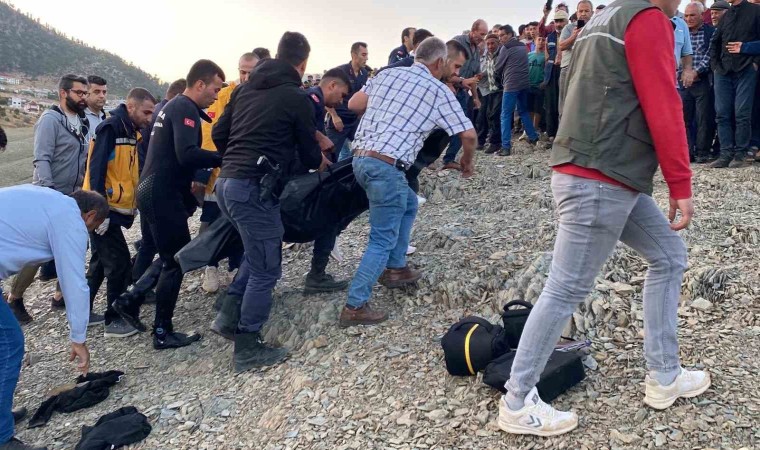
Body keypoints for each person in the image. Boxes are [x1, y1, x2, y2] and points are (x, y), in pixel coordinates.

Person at [496, 0, 709, 437]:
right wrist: (680, 182)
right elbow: (663, 102)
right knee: (565, 288)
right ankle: (517, 400)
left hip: (597, 169)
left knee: (669, 256)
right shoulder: (648, 18)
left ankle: (665, 374)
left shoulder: (603, 17)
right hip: (602, 175)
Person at [211, 32, 328, 372]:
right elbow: (310, 155)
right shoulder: (296, 97)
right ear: (303, 63)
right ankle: (247, 346)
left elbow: (218, 134)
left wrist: (237, 159)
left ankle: (227, 316)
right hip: (253, 189)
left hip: (226, 184)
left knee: (258, 249)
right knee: (267, 269)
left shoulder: (244, 89)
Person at [340, 37, 477, 328]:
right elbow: (468, 134)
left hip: (360, 159)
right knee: (381, 238)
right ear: (439, 62)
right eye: (453, 66)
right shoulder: (438, 90)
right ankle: (355, 306)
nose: (453, 72)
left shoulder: (386, 74)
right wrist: (467, 162)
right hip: (386, 166)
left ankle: (396, 267)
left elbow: (354, 103)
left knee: (409, 203)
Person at [114, 60, 225, 350]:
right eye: (214, 89)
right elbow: (186, 153)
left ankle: (131, 298)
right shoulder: (184, 107)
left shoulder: (174, 106)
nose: (216, 96)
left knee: (171, 255)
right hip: (161, 192)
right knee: (175, 262)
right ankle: (162, 331)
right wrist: (221, 158)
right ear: (199, 84)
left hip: (153, 189)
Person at [0, 186, 106, 450]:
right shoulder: (70, 219)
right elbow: (74, 283)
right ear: (90, 216)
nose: (88, 233)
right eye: (93, 228)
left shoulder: (51, 200)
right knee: (10, 344)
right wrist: (78, 338)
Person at [5, 75, 93, 325]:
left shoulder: (82, 122)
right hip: (50, 195)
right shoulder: (50, 120)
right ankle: (15, 298)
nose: (83, 97)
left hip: (73, 195)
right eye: (79, 93)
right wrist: (49, 192)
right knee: (37, 252)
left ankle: (60, 296)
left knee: (75, 245)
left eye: (85, 93)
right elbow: (41, 157)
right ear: (63, 93)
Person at [83, 88, 156, 338]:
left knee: (99, 263)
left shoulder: (131, 131)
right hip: (103, 210)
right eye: (146, 112)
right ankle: (113, 319)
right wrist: (99, 211)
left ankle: (81, 314)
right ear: (131, 107)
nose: (149, 118)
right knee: (119, 263)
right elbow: (97, 170)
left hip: (109, 209)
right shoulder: (111, 128)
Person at [197, 53, 259, 294]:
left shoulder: (263, 97)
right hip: (220, 172)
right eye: (243, 72)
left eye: (251, 72)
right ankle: (210, 266)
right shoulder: (224, 96)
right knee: (211, 220)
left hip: (247, 173)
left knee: (240, 223)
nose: (246, 77)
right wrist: (203, 174)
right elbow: (209, 134)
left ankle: (235, 265)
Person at [708, 0, 760, 168]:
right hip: (723, 71)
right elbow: (715, 42)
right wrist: (715, 66)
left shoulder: (755, 11)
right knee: (722, 113)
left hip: (746, 69)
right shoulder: (727, 14)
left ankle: (740, 155)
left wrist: (754, 62)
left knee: (742, 113)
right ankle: (725, 155)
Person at [443, 19, 487, 170]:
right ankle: (425, 158)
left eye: (485, 35)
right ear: (473, 31)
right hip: (448, 89)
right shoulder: (458, 42)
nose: (483, 37)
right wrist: (452, 82)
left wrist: (475, 98)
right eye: (481, 34)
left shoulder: (477, 51)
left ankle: (449, 159)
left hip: (462, 92)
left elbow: (473, 78)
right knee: (438, 126)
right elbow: (446, 66)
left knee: (462, 125)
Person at [680, 2, 716, 163]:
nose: (689, 19)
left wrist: (696, 72)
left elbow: (710, 55)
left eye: (692, 15)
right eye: (686, 15)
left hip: (702, 80)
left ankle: (702, 152)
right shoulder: (680, 32)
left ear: (702, 15)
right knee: (684, 120)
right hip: (683, 81)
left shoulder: (711, 32)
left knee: (704, 119)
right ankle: (687, 152)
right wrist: (684, 73)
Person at [495, 24, 539, 156]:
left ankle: (505, 147)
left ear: (509, 34)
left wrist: (499, 77)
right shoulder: (522, 46)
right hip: (524, 83)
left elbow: (498, 67)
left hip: (511, 84)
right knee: (523, 111)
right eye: (499, 36)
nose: (500, 38)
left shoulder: (506, 47)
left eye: (502, 35)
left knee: (505, 114)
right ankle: (533, 137)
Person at [326, 42, 369, 161]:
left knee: (363, 152)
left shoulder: (364, 74)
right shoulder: (340, 72)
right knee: (330, 158)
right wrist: (334, 116)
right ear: (354, 55)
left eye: (367, 55)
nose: (366, 58)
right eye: (363, 55)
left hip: (354, 121)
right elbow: (325, 95)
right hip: (338, 122)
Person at [558, 0, 594, 116]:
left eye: (586, 11)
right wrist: (574, 36)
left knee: (585, 104)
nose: (583, 14)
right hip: (568, 68)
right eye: (581, 11)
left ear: (592, 12)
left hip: (587, 68)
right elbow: (562, 46)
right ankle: (562, 128)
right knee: (565, 105)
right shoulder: (569, 28)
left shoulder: (596, 28)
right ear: (576, 13)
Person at [543, 10, 569, 141]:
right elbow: (546, 56)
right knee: (550, 104)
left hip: (565, 69)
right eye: (556, 21)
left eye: (561, 21)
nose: (558, 24)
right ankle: (551, 134)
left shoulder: (571, 34)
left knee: (564, 103)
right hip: (551, 72)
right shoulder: (550, 37)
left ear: (567, 21)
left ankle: (562, 133)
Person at [478, 33, 503, 154]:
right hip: (490, 89)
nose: (490, 46)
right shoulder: (488, 56)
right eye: (488, 44)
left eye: (493, 43)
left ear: (498, 43)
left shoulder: (501, 54)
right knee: (488, 115)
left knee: (495, 115)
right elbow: (488, 70)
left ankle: (496, 142)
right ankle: (492, 140)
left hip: (500, 88)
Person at [528, 36, 547, 134]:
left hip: (539, 85)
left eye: (543, 40)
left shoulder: (545, 56)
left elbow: (547, 70)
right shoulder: (529, 55)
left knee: (538, 109)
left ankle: (535, 129)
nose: (541, 41)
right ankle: (530, 129)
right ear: (535, 41)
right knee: (529, 108)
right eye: (539, 39)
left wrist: (544, 82)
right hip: (529, 85)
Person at [84, 75, 108, 142]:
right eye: (97, 92)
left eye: (104, 92)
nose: (102, 96)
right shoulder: (79, 118)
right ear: (86, 94)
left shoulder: (104, 117)